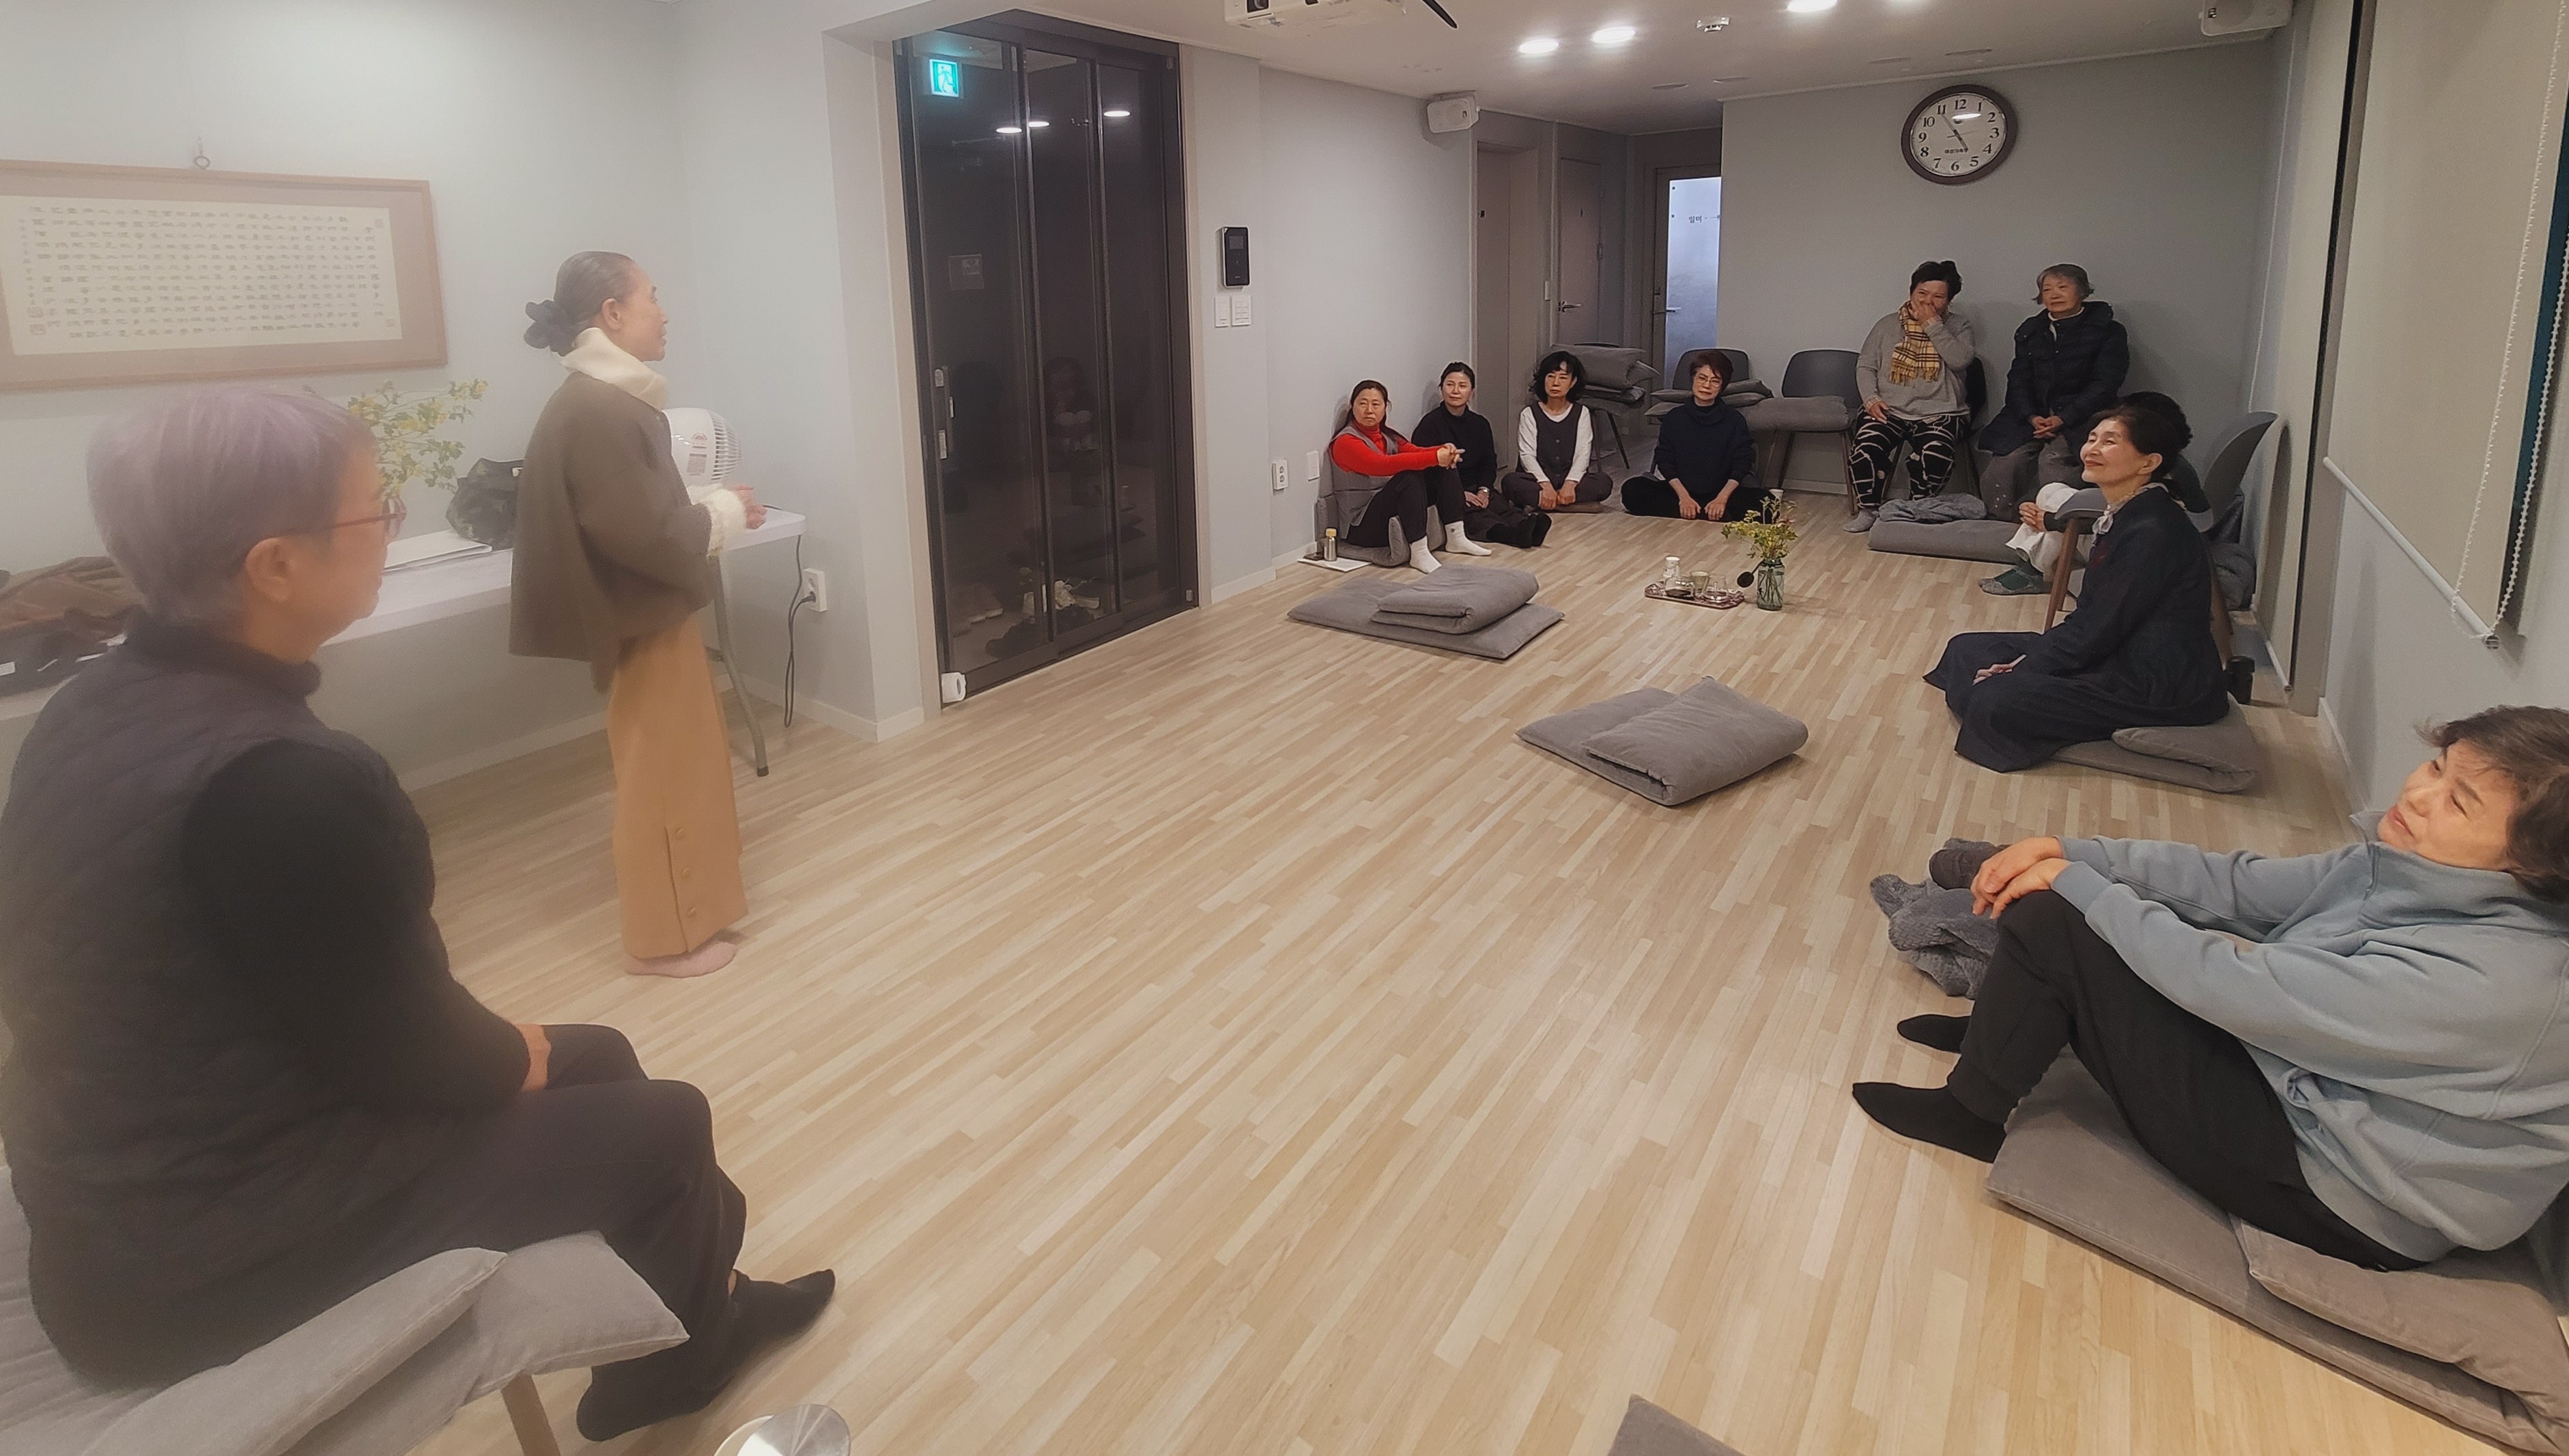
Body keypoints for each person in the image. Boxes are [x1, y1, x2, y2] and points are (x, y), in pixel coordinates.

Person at [0, 388, 831, 1439]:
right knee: (667, 1124)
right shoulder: (279, 785)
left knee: (601, 1051)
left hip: (135, 1192)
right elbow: (410, 1056)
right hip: (195, 1262)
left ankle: (699, 1309)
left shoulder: (91, 706)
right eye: (375, 510)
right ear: (275, 565)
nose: (391, 529)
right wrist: (501, 1056)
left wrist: (501, 1052)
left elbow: (315, 998)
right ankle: (680, 1369)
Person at [1852, 706, 2569, 1270]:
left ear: (2531, 864)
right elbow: (2240, 885)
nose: (2418, 793)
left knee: (2060, 917)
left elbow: (2234, 985)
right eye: (2436, 765)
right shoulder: (2421, 868)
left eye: (2459, 802)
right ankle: (2011, 1026)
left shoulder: (2499, 985)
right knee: (2074, 905)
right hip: (2315, 1091)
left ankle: (1969, 1113)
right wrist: (2071, 851)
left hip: (2342, 1193)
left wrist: (2073, 883)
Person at [513, 252, 761, 979]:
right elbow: (641, 535)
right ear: (612, 314)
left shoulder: (606, 402)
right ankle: (664, 940)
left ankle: (693, 916)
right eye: (652, 296)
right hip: (643, 619)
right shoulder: (598, 409)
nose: (664, 311)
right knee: (664, 778)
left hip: (650, 614)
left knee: (681, 768)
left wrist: (712, 509)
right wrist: (722, 511)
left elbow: (635, 515)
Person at [1923, 401, 2228, 771]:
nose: (2092, 449)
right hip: (2113, 650)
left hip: (2155, 681)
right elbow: (2094, 626)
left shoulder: (2153, 531)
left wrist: (2025, 667)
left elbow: (2096, 629)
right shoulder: (2130, 510)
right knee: (1966, 648)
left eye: (2110, 442)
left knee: (1995, 699)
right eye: (2092, 438)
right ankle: (1987, 696)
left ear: (2148, 462)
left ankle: (1985, 700)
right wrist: (2029, 662)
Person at [1978, 264, 2130, 525]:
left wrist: (2063, 418)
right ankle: (2001, 524)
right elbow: (2018, 379)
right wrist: (2031, 416)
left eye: (2063, 287)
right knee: (2006, 463)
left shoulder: (2107, 330)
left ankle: (2054, 525)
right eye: (2047, 289)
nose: (2054, 294)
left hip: (2083, 417)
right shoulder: (2031, 330)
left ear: (2081, 291)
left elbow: (2106, 383)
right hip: (2032, 417)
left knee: (2053, 463)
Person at [1849, 260, 1978, 531]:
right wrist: (1871, 399)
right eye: (1922, 293)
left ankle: (1917, 509)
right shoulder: (1887, 325)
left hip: (1942, 412)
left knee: (1935, 453)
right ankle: (1868, 509)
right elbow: (1866, 366)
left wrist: (1933, 325)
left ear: (1949, 301)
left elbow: (1960, 360)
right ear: (1911, 292)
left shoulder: (1959, 326)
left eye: (1938, 297)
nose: (1928, 301)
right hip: (1891, 409)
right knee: (1866, 448)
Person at [1329, 379, 1484, 572]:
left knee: (1443, 467)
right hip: (1359, 525)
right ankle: (1419, 553)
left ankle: (1456, 536)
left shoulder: (1388, 436)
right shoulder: (1345, 442)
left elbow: (1414, 451)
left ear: (1385, 408)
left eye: (1376, 404)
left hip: (1383, 509)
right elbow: (1381, 465)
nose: (1369, 410)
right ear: (1352, 407)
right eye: (1362, 403)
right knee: (1409, 478)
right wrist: (1435, 456)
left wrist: (1444, 451)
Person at [1410, 362, 1548, 548]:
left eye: (1462, 386)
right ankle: (1512, 536)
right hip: (1445, 490)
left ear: (1472, 392)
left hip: (1476, 485)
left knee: (1498, 505)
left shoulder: (1480, 424)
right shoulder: (1430, 425)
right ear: (1441, 389)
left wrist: (1484, 490)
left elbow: (1488, 463)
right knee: (1474, 514)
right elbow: (1425, 470)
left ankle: (1528, 527)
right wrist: (1461, 493)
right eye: (1450, 385)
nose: (1455, 391)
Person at [1623, 352, 1765, 521]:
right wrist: (1684, 498)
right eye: (1702, 378)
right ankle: (1704, 511)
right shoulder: (1674, 418)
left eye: (1715, 381)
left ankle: (1705, 510)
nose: (1707, 385)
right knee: (1632, 490)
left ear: (1722, 386)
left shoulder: (1734, 420)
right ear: (1693, 379)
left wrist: (1721, 499)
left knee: (1766, 505)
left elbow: (1742, 464)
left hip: (1721, 493)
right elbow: (1665, 460)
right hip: (1681, 492)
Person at [1500, 351, 1616, 512]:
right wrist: (1545, 485)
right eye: (1551, 376)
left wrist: (1570, 483)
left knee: (1603, 483)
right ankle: (1569, 505)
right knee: (1510, 482)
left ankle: (1542, 503)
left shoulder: (1581, 413)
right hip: (1536, 480)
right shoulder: (1529, 413)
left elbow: (1582, 454)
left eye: (1563, 378)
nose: (1555, 383)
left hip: (1569, 479)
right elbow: (1527, 455)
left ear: (1573, 382)